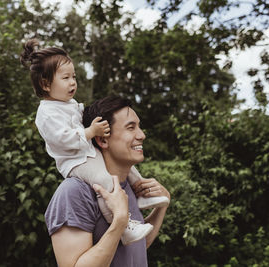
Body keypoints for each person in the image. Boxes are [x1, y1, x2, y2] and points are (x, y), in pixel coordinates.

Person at [19, 39, 169, 245]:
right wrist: (90, 131)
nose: (73, 82)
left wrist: (161, 208)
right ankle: (124, 226)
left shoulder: (68, 104)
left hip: (87, 152)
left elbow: (139, 249)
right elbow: (63, 139)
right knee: (104, 181)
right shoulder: (46, 113)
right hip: (76, 161)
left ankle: (143, 193)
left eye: (74, 77)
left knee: (130, 171)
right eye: (65, 78)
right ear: (45, 84)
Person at [46, 96, 170, 266]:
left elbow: (135, 247)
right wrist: (119, 222)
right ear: (103, 139)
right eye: (130, 128)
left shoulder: (128, 187)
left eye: (139, 127)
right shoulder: (74, 192)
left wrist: (160, 208)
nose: (142, 135)